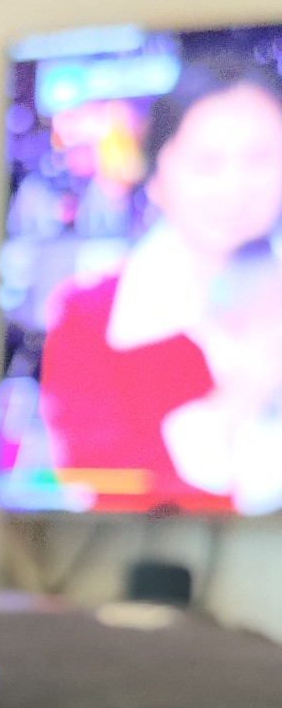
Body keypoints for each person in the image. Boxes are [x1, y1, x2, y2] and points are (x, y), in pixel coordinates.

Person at [38, 58, 282, 513]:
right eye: (208, 163)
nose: (236, 187)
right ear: (156, 177)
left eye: (260, 159)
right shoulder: (88, 316)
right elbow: (104, 491)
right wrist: (243, 394)